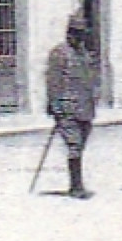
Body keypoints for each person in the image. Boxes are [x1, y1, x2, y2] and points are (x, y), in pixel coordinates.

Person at [45, 13, 98, 199]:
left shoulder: (83, 54)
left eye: (83, 34)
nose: (81, 38)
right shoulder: (59, 53)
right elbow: (53, 81)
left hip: (85, 108)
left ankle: (77, 184)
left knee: (80, 146)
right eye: (78, 34)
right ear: (70, 33)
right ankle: (76, 186)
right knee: (74, 146)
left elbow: (89, 79)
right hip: (67, 108)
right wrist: (55, 106)